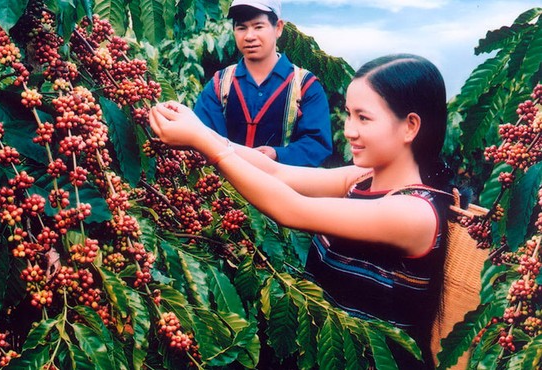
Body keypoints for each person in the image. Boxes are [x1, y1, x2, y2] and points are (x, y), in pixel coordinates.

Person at [150, 54, 453, 369]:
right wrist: (201, 133)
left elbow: (291, 209)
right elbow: (276, 173)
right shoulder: (361, 179)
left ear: (410, 126)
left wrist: (203, 143)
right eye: (348, 115)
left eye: (364, 118)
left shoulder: (413, 212)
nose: (349, 130)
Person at [193, 0, 333, 167]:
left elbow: (317, 144)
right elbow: (201, 135)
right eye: (241, 28)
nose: (249, 36)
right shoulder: (219, 83)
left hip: (283, 189)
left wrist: (278, 154)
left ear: (278, 28)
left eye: (258, 26)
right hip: (224, 188)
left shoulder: (305, 86)